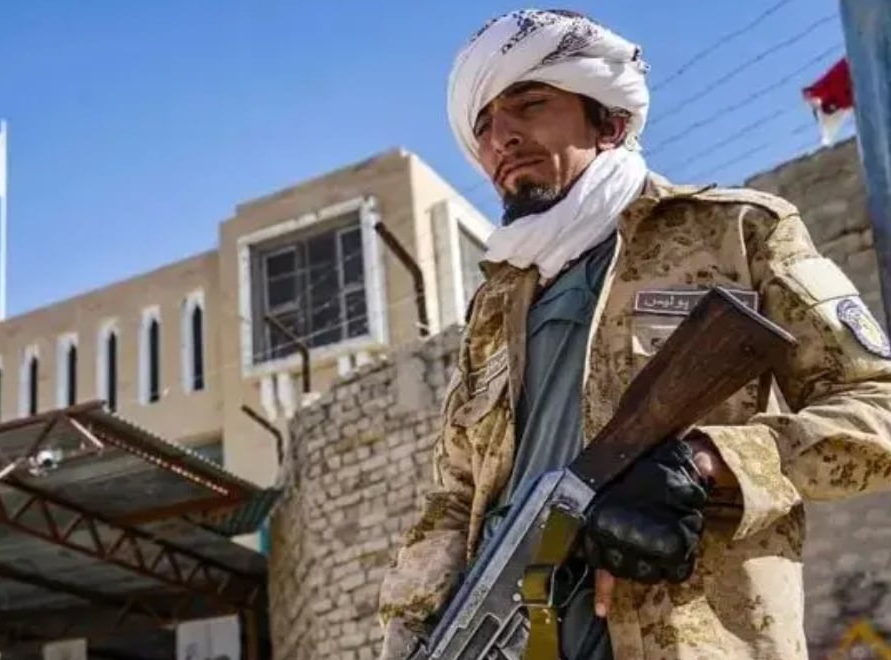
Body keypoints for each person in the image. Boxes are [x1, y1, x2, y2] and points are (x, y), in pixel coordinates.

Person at [377, 9, 891, 660]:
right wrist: (409, 627)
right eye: (483, 126)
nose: (501, 137)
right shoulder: (494, 305)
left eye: (530, 105)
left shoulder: (734, 233)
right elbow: (454, 495)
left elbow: (878, 406)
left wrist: (708, 464)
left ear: (610, 123)